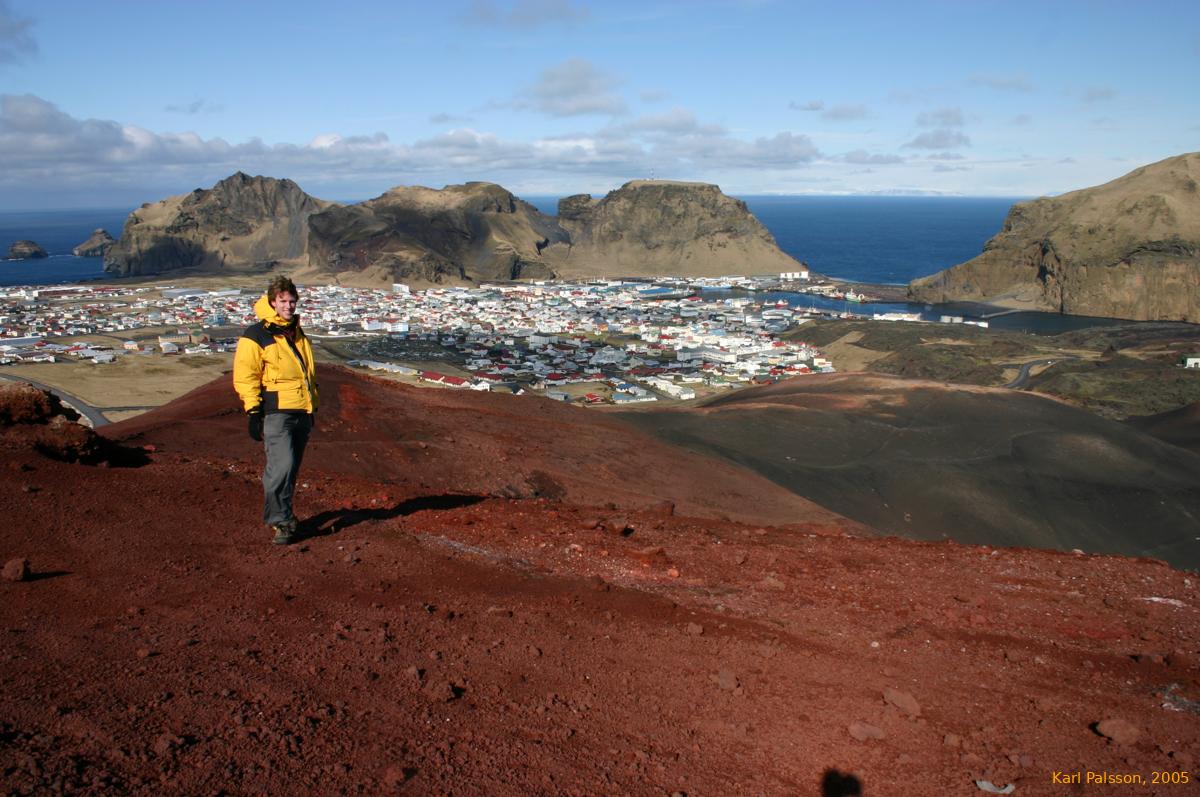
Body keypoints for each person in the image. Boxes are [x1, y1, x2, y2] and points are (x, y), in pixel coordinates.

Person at [233, 277, 318, 545]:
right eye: (283, 301)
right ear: (271, 302)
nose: (289, 305)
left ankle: (285, 516)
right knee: (282, 467)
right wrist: (253, 411)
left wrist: (311, 407)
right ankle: (279, 521)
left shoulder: (296, 331)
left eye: (292, 301)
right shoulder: (256, 334)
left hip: (303, 410)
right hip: (277, 411)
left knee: (290, 470)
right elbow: (246, 375)